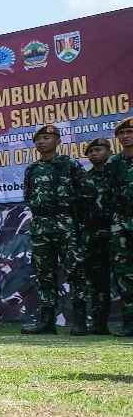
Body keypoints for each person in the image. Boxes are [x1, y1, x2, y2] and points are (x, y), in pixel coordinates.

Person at [21, 124, 86, 335]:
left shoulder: (70, 165)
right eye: (38, 139)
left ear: (58, 141)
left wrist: (73, 216)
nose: (41, 142)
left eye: (47, 138)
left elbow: (86, 193)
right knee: (44, 274)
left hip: (66, 224)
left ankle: (80, 322)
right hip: (41, 226)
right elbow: (28, 196)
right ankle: (46, 322)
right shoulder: (32, 169)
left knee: (75, 272)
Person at [83, 138, 116, 335]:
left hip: (119, 231)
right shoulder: (85, 179)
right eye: (91, 151)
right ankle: (99, 324)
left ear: (109, 152)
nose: (94, 153)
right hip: (94, 235)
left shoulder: (118, 173)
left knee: (125, 278)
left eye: (99, 149)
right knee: (98, 281)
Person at [108, 118, 133, 335]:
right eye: (122, 133)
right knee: (124, 274)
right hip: (122, 223)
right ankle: (130, 322)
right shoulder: (114, 163)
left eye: (130, 132)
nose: (125, 136)